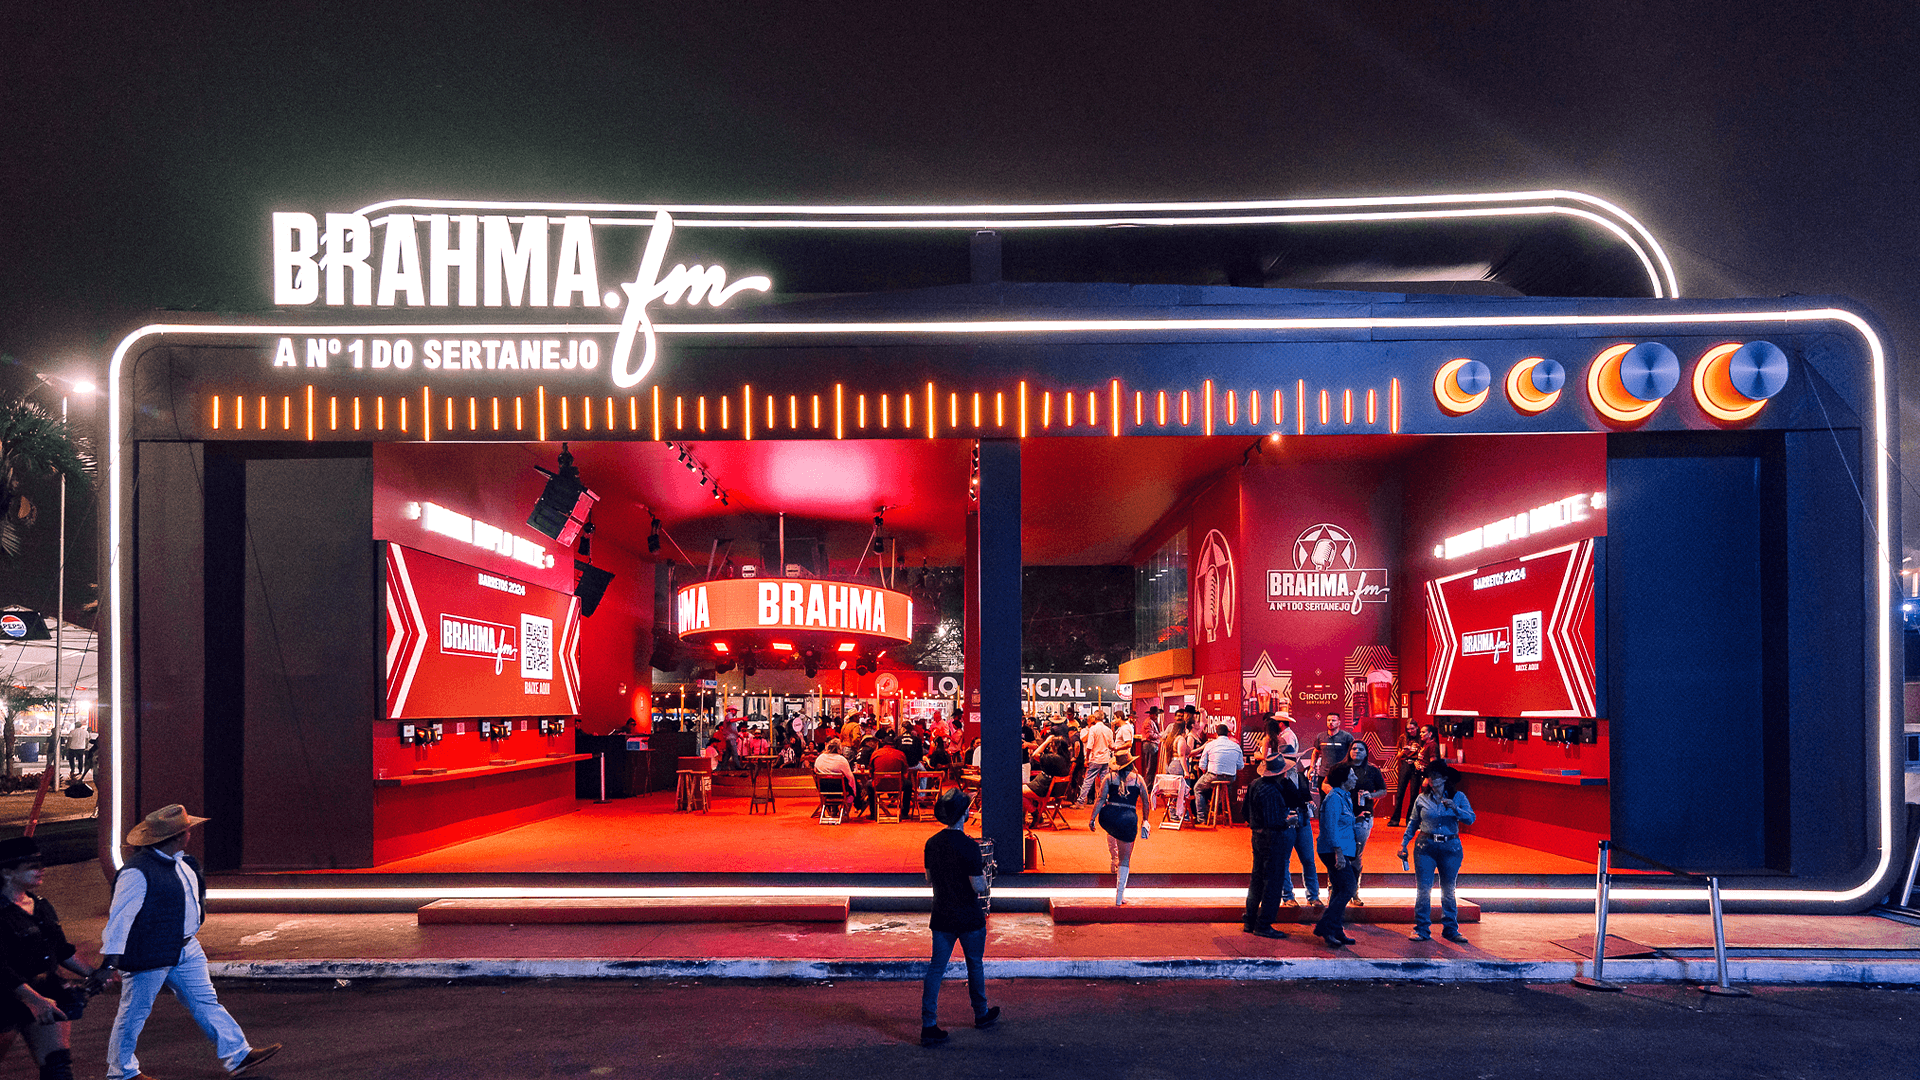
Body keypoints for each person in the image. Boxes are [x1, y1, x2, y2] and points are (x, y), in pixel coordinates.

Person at [103, 805, 281, 1080]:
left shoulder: (183, 863)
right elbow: (120, 918)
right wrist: (110, 961)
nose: (190, 833)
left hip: (185, 946)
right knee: (134, 1013)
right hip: (150, 951)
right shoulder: (136, 872)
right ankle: (121, 1072)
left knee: (205, 1001)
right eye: (187, 830)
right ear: (178, 836)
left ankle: (238, 1054)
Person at [0, 836, 105, 1080]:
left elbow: (61, 950)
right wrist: (34, 1000)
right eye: (32, 866)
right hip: (8, 999)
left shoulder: (40, 905)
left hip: (45, 994)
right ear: (6, 872)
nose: (41, 869)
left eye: (41, 864)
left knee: (57, 1067)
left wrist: (95, 974)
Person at [920, 788, 999, 1046]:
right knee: (974, 964)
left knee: (936, 968)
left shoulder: (931, 843)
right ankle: (981, 1013)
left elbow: (929, 878)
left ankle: (928, 1024)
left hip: (942, 913)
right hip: (968, 915)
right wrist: (986, 873)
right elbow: (978, 886)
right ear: (964, 814)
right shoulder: (969, 846)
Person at [1399, 765, 1475, 943]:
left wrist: (1456, 809)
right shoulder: (1422, 798)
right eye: (1429, 776)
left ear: (1445, 778)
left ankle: (1451, 929)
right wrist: (1403, 844)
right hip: (1426, 846)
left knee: (1448, 890)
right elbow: (1413, 823)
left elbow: (1470, 818)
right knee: (1423, 889)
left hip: (1450, 847)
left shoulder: (1458, 797)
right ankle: (1421, 929)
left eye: (1435, 775)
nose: (1431, 779)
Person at [1239, 753, 1293, 939]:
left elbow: (1245, 812)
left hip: (1258, 836)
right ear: (1281, 773)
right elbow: (1275, 822)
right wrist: (1288, 822)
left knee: (1257, 879)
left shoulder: (1255, 784)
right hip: (1273, 838)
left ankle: (1250, 920)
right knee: (1273, 882)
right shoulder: (1272, 791)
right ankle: (1264, 924)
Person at [1087, 750, 1149, 905]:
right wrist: (1145, 820)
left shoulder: (1109, 778)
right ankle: (1119, 896)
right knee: (1125, 859)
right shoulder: (1138, 779)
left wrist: (1093, 818)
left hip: (1109, 817)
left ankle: (1113, 855)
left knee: (1113, 831)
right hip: (1128, 818)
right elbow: (1146, 801)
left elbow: (1101, 799)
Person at [1312, 765, 1360, 948]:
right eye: (1352, 775)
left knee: (1340, 889)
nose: (1356, 778)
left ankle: (1335, 930)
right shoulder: (1334, 798)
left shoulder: (1344, 797)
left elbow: (1341, 823)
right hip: (1333, 850)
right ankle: (1326, 926)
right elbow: (1330, 827)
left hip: (1342, 850)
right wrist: (1338, 853)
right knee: (1349, 887)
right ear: (1343, 779)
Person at [1274, 750, 1322, 911]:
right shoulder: (1276, 779)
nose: (1292, 762)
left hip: (1303, 819)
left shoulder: (1301, 776)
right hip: (1286, 819)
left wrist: (1309, 802)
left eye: (1293, 759)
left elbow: (1306, 795)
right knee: (1284, 860)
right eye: (1288, 759)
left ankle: (1313, 896)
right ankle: (1288, 896)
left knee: (1308, 860)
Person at [1344, 741, 1387, 905]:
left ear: (1366, 752)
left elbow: (1383, 791)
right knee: (1339, 854)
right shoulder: (1341, 768)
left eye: (1360, 749)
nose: (1357, 751)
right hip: (1342, 817)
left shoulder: (1372, 770)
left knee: (1356, 855)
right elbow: (1326, 783)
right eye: (1354, 748)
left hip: (1363, 818)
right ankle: (1335, 892)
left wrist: (1372, 795)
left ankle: (1354, 893)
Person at [1192, 724, 1245, 822]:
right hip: (1230, 778)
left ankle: (1201, 818)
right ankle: (1221, 810)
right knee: (1226, 788)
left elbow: (1202, 765)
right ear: (1228, 733)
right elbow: (1240, 766)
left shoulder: (1210, 745)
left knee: (1198, 788)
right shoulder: (1236, 746)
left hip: (1213, 776)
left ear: (1216, 734)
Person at [1023, 737, 1071, 826]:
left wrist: (1046, 742)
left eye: (1051, 745)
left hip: (1044, 789)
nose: (1050, 747)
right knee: (1025, 789)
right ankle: (1034, 813)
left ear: (1056, 747)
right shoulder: (1065, 759)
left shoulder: (1053, 758)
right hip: (1057, 790)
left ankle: (1035, 813)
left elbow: (1035, 755)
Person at [1387, 719, 1425, 827]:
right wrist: (1405, 751)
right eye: (1408, 729)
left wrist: (1416, 751)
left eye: (1412, 728)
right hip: (1405, 764)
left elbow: (1424, 753)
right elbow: (1398, 756)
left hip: (1416, 765)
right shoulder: (1402, 738)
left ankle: (1410, 820)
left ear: (1417, 727)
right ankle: (1395, 819)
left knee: (1414, 794)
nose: (1410, 731)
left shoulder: (1420, 738)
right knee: (1400, 793)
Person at [1308, 713, 1355, 798]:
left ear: (1339, 722)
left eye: (1333, 720)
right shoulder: (1321, 736)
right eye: (1328, 720)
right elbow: (1315, 752)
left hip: (1341, 776)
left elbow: (1354, 752)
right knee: (1324, 801)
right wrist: (1312, 767)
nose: (1331, 722)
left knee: (1341, 800)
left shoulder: (1347, 737)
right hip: (1324, 775)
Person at [813, 739, 859, 815]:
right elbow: (850, 777)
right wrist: (854, 790)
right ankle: (845, 813)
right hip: (839, 789)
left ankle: (833, 811)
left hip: (823, 789)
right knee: (852, 793)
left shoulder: (820, 758)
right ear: (839, 749)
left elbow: (815, 771)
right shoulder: (841, 760)